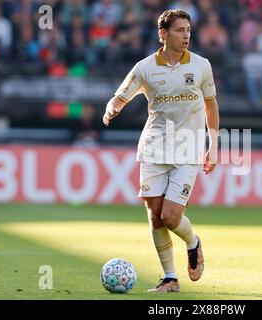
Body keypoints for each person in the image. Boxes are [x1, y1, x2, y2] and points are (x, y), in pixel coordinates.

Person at [102, 9, 219, 293]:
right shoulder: (145, 68)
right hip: (154, 148)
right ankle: (170, 278)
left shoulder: (201, 66)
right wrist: (112, 108)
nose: (186, 35)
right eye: (180, 30)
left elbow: (211, 107)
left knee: (171, 217)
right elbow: (119, 96)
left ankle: (193, 243)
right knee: (155, 216)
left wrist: (213, 146)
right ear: (163, 34)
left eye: (188, 29)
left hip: (188, 150)